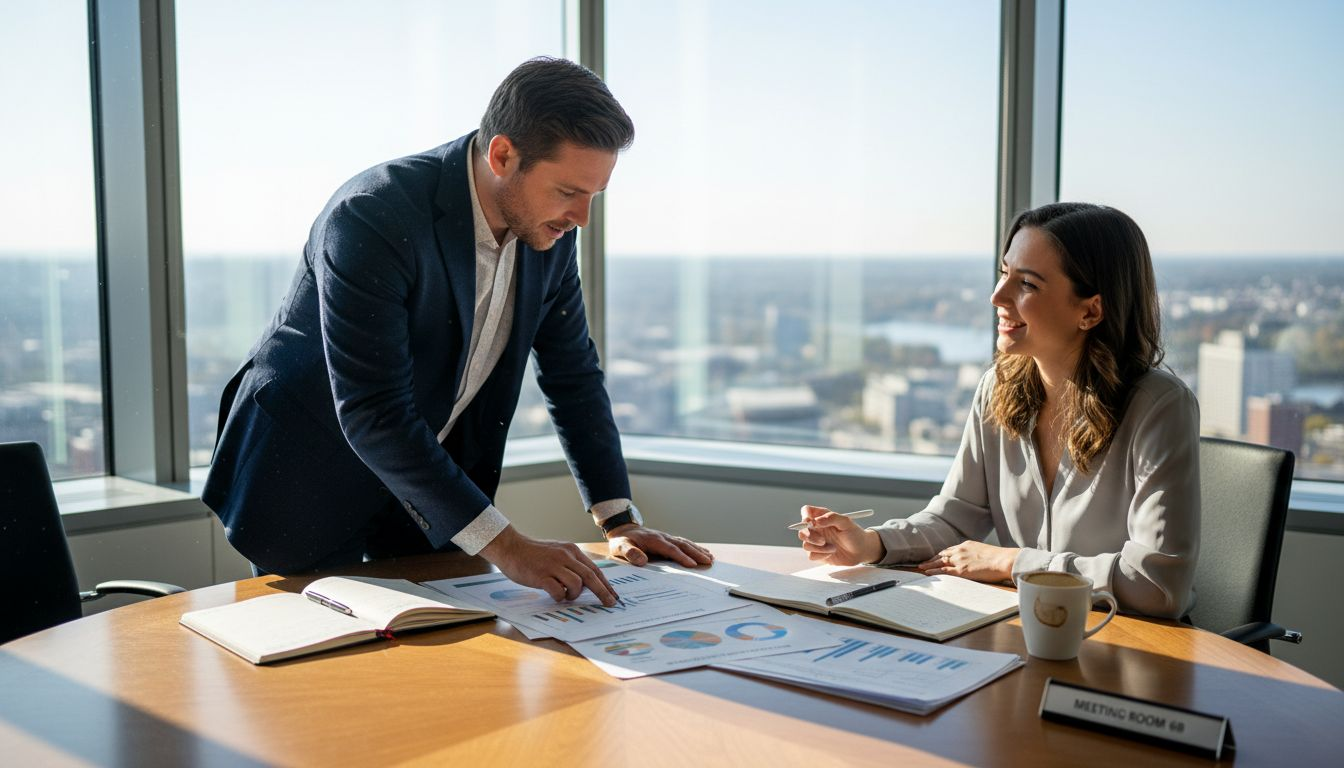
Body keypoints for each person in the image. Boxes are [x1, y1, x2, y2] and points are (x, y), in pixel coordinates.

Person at [203, 57, 711, 603]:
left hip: (429, 489)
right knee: (325, 672)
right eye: (568, 191)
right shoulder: (374, 213)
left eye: (594, 195)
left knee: (445, 667)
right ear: (502, 154)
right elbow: (374, 412)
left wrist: (618, 519)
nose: (582, 218)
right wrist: (510, 545)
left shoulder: (551, 232)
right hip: (308, 476)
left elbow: (573, 375)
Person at [798, 202, 1199, 619]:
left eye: (1027, 284)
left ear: (1090, 310)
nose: (997, 296)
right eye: (1004, 273)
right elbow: (955, 518)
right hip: (1029, 632)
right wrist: (871, 544)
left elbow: (1157, 586)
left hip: (1132, 646)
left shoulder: (1159, 408)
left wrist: (1011, 562)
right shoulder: (998, 388)